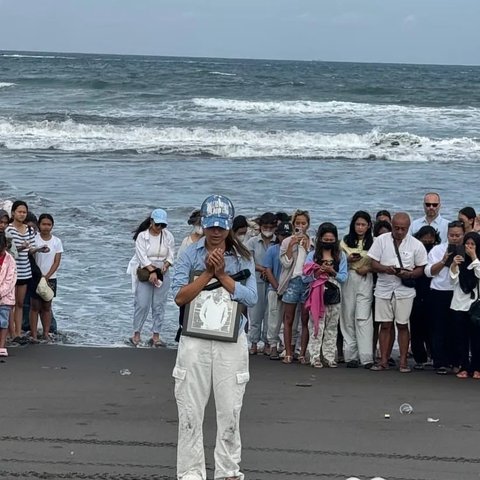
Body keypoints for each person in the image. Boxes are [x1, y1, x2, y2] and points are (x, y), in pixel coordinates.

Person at [171, 194, 257, 480]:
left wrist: (224, 276)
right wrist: (208, 271)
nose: (216, 231)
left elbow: (252, 297)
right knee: (190, 410)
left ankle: (228, 472)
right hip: (194, 339)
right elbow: (179, 296)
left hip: (231, 341)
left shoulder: (244, 257)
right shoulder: (188, 253)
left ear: (230, 226)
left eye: (221, 226)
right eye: (211, 226)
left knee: (230, 410)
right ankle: (190, 473)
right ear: (203, 225)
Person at [369, 212, 428, 373]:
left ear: (408, 228)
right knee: (385, 324)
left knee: (402, 324)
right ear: (392, 226)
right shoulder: (381, 240)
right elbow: (373, 263)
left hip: (404, 290)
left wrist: (408, 274)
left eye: (403, 229)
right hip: (383, 288)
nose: (400, 232)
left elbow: (421, 268)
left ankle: (403, 361)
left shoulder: (416, 244)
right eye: (396, 228)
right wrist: (386, 269)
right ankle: (383, 360)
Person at [127, 209, 175, 347]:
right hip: (146, 270)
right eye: (157, 224)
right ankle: (136, 334)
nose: (160, 228)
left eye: (163, 225)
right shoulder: (142, 236)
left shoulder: (168, 236)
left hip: (162, 271)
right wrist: (152, 271)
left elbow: (171, 253)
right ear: (152, 222)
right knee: (142, 303)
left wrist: (166, 264)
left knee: (159, 304)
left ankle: (156, 335)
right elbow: (141, 256)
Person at [303, 223, 348, 368]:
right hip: (317, 294)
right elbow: (305, 277)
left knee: (332, 326)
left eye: (331, 240)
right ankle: (315, 356)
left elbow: (343, 277)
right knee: (316, 326)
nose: (328, 242)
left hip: (334, 294)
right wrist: (317, 272)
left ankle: (329, 356)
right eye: (325, 239)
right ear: (320, 239)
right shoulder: (312, 255)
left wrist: (332, 271)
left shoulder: (340, 256)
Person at [425, 220, 465, 374]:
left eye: (458, 235)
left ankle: (456, 361)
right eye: (451, 235)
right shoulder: (437, 250)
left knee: (457, 328)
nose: (454, 238)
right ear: (447, 235)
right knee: (438, 327)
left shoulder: (467, 249)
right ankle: (440, 361)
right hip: (439, 291)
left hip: (459, 292)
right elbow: (429, 272)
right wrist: (443, 260)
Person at [340, 211, 374, 368]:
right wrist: (347, 260)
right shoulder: (344, 242)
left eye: (363, 225)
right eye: (358, 224)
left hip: (365, 278)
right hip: (349, 276)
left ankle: (366, 357)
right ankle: (350, 356)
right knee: (348, 314)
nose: (360, 228)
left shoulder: (374, 243)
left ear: (368, 226)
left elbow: (379, 260)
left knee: (363, 317)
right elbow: (337, 261)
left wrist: (368, 268)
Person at [278, 210, 311, 364]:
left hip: (306, 282)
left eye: (303, 223)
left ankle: (302, 353)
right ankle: (288, 352)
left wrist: (307, 246)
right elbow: (285, 263)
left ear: (308, 225)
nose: (300, 226)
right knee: (288, 318)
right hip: (291, 281)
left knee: (305, 319)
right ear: (293, 224)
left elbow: (313, 263)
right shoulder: (286, 241)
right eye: (297, 223)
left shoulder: (311, 241)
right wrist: (292, 246)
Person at [449, 232, 480, 379]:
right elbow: (453, 280)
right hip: (459, 304)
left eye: (472, 244)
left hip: (475, 305)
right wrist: (454, 264)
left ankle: (476, 367)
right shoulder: (461, 260)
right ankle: (464, 366)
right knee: (461, 338)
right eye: (467, 244)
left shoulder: (477, 261)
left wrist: (474, 257)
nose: (469, 247)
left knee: (476, 339)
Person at [245, 212, 277, 355]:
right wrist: (262, 269)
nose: (268, 229)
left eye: (271, 227)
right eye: (265, 226)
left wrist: (268, 271)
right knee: (255, 313)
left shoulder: (278, 241)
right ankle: (253, 343)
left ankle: (267, 343)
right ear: (260, 226)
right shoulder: (252, 242)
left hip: (273, 281)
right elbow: (247, 261)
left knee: (270, 314)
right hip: (256, 279)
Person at [28, 214, 63, 342]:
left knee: (47, 306)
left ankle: (46, 333)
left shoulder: (56, 241)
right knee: (34, 306)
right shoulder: (34, 239)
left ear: (52, 226)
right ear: (39, 225)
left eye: (49, 224)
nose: (46, 227)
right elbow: (30, 253)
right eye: (43, 224)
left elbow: (57, 261)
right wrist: (37, 249)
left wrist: (47, 276)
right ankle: (34, 334)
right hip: (35, 276)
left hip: (51, 277)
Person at [409, 226, 440, 369]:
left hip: (432, 293)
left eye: (431, 237)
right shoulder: (413, 251)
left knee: (432, 327)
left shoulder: (437, 252)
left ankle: (434, 355)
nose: (428, 240)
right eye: (425, 237)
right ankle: (420, 358)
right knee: (416, 328)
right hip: (416, 292)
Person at [5, 200, 36, 339]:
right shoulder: (9, 229)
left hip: (25, 270)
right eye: (19, 212)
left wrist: (40, 249)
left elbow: (32, 249)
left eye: (24, 212)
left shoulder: (29, 229)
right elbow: (6, 250)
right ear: (13, 213)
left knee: (20, 303)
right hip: (11, 270)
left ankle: (18, 332)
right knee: (9, 303)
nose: (22, 214)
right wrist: (21, 248)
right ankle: (10, 333)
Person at [262, 221, 293, 360]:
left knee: (290, 319)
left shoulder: (295, 249)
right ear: (277, 235)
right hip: (274, 288)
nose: (285, 237)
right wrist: (277, 287)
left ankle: (288, 347)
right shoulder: (272, 250)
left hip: (291, 289)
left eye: (288, 234)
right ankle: (273, 345)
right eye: (282, 235)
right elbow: (267, 269)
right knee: (273, 318)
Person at [0, 233, 17, 357]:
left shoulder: (10, 260)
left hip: (5, 297)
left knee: (3, 322)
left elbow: (10, 280)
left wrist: (0, 293)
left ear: (6, 246)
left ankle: (2, 346)